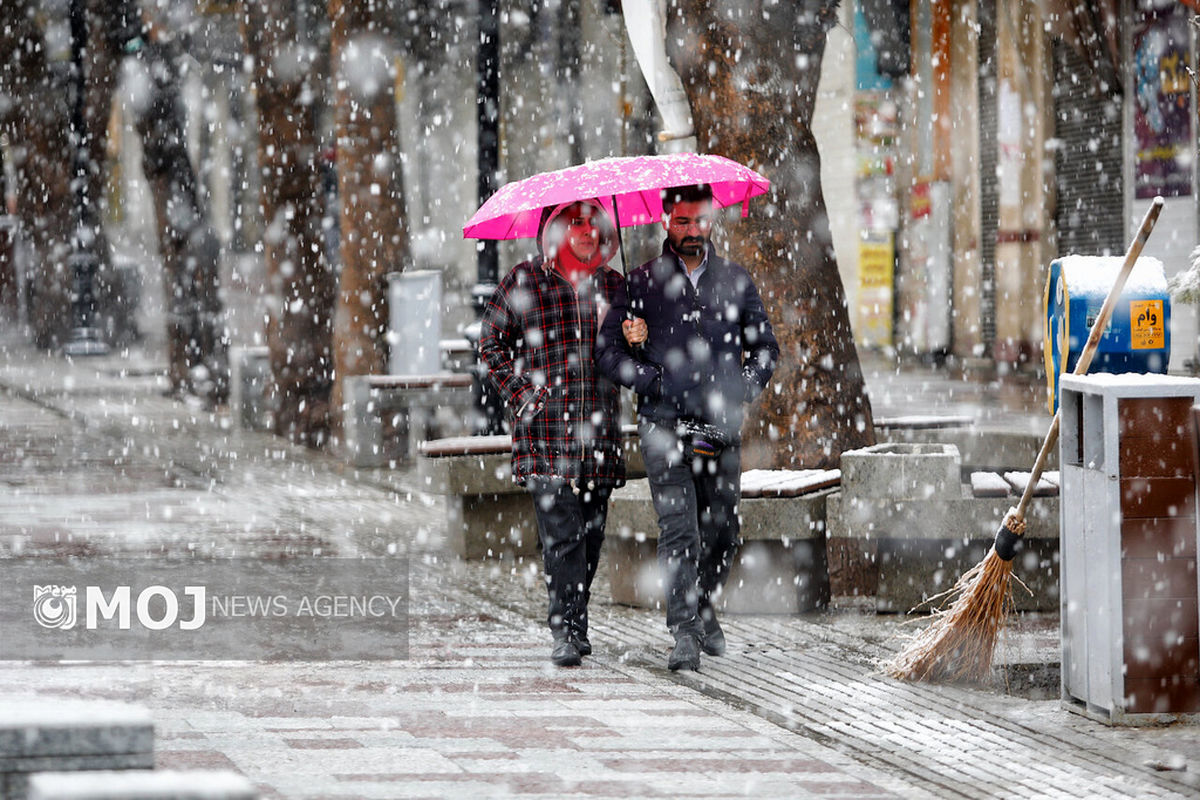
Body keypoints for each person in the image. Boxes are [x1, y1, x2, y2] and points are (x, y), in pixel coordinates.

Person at [596, 183, 779, 671]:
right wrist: (645, 372)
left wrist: (744, 386)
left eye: (701, 221)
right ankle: (685, 632)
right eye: (683, 222)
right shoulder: (640, 285)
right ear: (664, 222)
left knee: (722, 529)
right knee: (679, 530)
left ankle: (701, 604)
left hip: (716, 427)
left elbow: (765, 348)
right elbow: (607, 353)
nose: (694, 231)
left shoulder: (735, 281)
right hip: (663, 425)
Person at [478, 199, 627, 667]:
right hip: (545, 436)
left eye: (593, 224)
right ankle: (565, 629)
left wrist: (626, 332)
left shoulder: (614, 284)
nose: (586, 231)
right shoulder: (524, 280)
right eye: (574, 224)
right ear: (553, 232)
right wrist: (524, 395)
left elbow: (635, 358)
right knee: (562, 535)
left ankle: (576, 620)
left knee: (591, 534)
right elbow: (490, 342)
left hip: (598, 434)